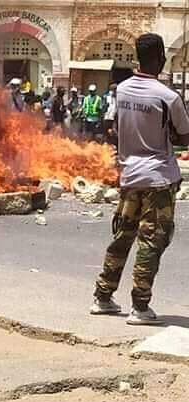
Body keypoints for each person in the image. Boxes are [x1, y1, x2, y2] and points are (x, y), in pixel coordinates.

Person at [90, 33, 189, 325]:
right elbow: (185, 135)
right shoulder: (167, 96)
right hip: (158, 178)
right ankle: (140, 306)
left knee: (123, 236)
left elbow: (112, 126)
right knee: (151, 241)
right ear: (160, 58)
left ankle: (103, 297)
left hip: (130, 176)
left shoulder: (121, 90)